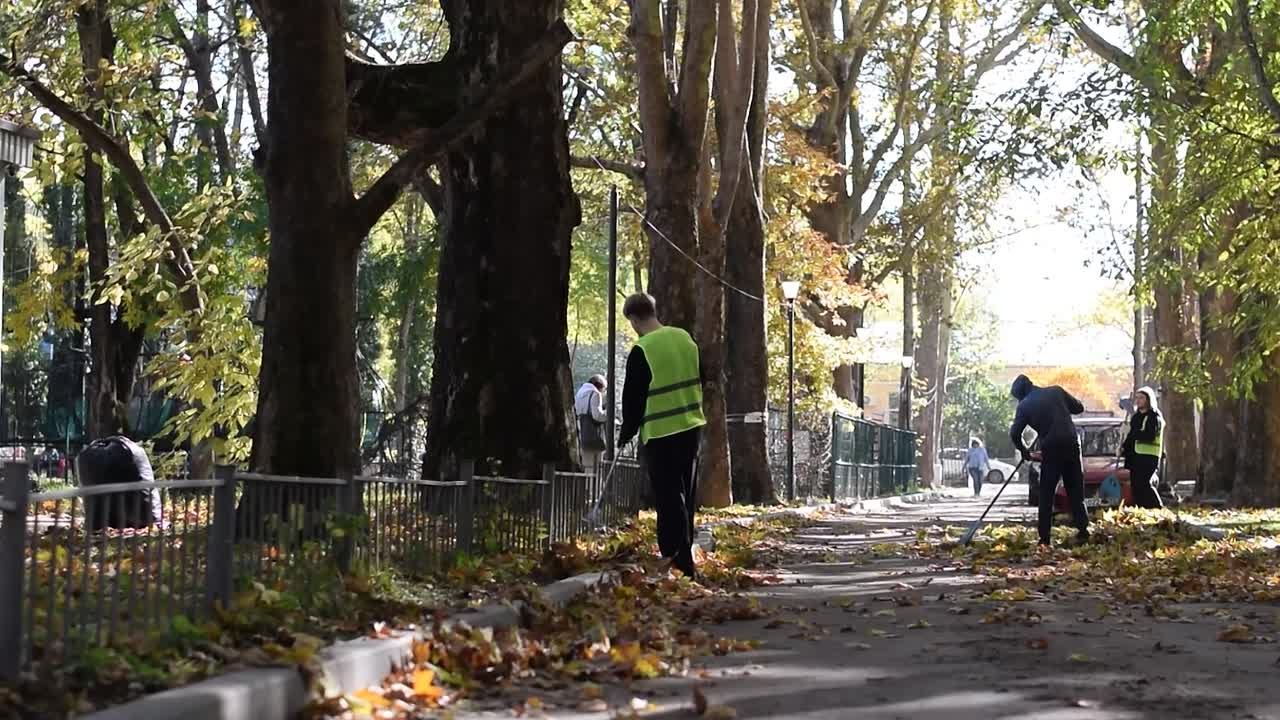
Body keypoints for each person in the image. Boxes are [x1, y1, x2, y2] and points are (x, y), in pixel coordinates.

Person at [617, 293, 705, 579]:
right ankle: (684, 553)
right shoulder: (684, 339)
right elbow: (701, 376)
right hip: (691, 427)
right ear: (654, 311)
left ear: (633, 319)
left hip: (660, 431)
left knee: (669, 496)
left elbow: (634, 397)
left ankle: (672, 554)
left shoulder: (643, 349)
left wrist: (626, 431)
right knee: (685, 494)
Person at [1010, 374, 1090, 548]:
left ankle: (1044, 538)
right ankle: (1083, 531)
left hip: (1051, 447)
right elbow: (1079, 407)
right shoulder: (1056, 391)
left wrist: (1024, 451)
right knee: (1075, 490)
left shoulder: (1024, 406)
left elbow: (1015, 433)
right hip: (1071, 443)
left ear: (1020, 394)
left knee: (1046, 493)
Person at [1119, 386, 1164, 509]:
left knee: (1144, 484)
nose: (1138, 400)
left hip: (1149, 457)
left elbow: (1149, 436)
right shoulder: (1136, 417)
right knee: (1136, 487)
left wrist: (1132, 432)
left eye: (1141, 398)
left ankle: (1158, 508)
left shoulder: (1154, 417)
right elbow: (1131, 438)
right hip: (1135, 457)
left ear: (1148, 400)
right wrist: (1123, 447)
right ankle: (1143, 510)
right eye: (1137, 398)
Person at [575, 374, 608, 475]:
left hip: (582, 435)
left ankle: (586, 488)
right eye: (603, 389)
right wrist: (608, 413)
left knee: (586, 465)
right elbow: (597, 416)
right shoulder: (595, 394)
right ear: (600, 386)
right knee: (596, 467)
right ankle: (593, 489)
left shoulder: (579, 393)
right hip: (594, 437)